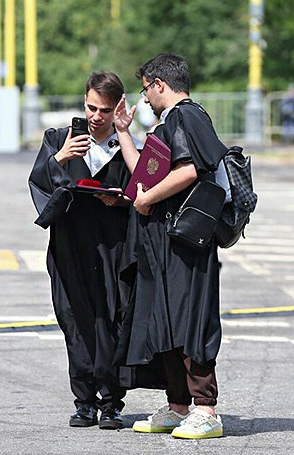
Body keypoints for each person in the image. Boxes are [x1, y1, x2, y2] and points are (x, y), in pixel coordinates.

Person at [113, 53, 227, 439]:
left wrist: (146, 200)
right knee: (166, 320)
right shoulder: (169, 124)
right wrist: (123, 132)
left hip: (187, 241)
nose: (144, 98)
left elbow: (191, 168)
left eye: (146, 89)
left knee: (191, 318)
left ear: (160, 84)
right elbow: (142, 174)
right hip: (164, 242)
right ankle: (179, 406)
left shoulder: (187, 116)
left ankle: (206, 408)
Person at [29, 72, 141, 430]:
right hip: (70, 242)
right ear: (84, 102)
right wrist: (59, 159)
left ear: (117, 108)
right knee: (75, 320)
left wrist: (119, 200)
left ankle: (111, 403)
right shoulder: (59, 140)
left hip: (113, 244)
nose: (96, 116)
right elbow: (39, 183)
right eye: (91, 107)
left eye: (104, 110)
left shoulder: (127, 147)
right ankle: (84, 403)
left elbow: (141, 192)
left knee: (112, 318)